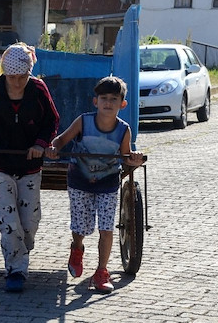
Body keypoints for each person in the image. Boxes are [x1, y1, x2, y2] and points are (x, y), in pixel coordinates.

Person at [0, 43, 60, 292]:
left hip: (29, 165)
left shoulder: (38, 90)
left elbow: (52, 121)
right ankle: (16, 270)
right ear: (4, 73)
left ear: (30, 73)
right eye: (12, 77)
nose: (17, 83)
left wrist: (40, 144)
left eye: (22, 77)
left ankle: (20, 249)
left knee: (29, 221)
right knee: (8, 217)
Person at [45, 76, 144, 293]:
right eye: (104, 98)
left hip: (108, 183)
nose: (108, 103)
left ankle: (101, 271)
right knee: (81, 225)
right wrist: (53, 149)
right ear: (95, 101)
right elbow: (61, 140)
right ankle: (77, 248)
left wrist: (133, 158)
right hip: (79, 181)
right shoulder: (83, 121)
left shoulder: (123, 130)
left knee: (106, 227)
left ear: (122, 104)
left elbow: (125, 156)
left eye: (114, 99)